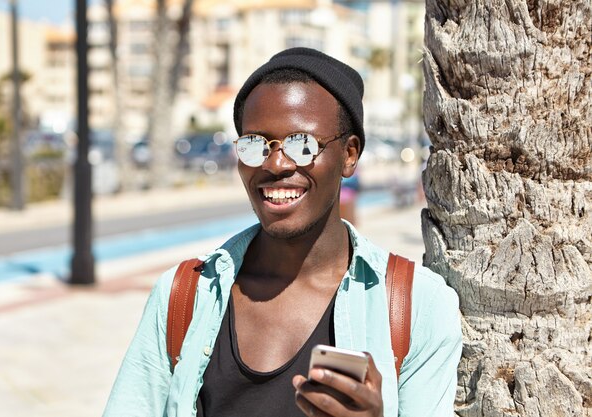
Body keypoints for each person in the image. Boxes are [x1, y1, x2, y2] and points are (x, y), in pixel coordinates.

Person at [103, 47, 462, 417]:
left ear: (349, 154)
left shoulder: (414, 306)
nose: (275, 164)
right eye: (255, 145)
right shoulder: (184, 297)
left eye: (302, 145)